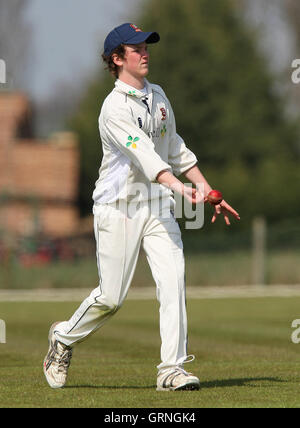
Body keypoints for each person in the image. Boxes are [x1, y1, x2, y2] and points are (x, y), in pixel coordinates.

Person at [43, 23, 240, 391]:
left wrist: (206, 188)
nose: (145, 53)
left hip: (156, 206)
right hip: (118, 208)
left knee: (173, 279)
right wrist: (183, 189)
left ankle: (172, 369)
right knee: (112, 298)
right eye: (136, 49)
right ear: (117, 59)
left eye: (146, 46)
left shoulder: (159, 96)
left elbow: (174, 147)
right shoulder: (113, 108)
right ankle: (64, 338)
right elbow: (146, 158)